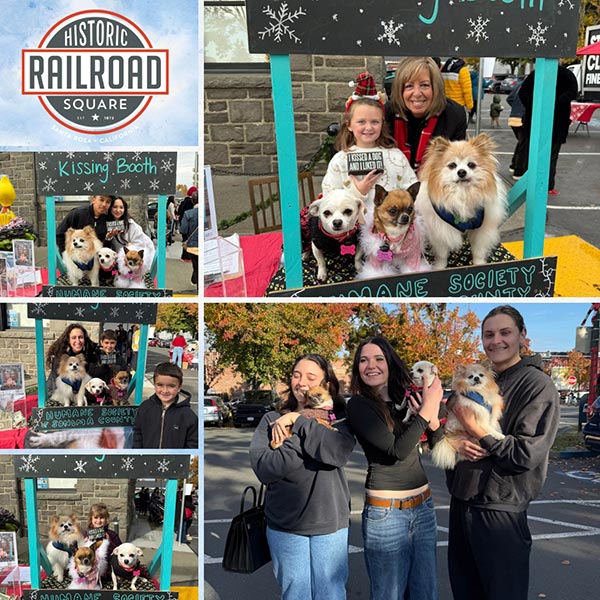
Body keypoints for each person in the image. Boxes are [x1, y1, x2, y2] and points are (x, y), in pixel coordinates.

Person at [445, 305, 559, 600]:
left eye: (505, 332)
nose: (496, 341)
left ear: (522, 335)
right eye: (489, 334)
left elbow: (526, 453)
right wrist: (455, 441)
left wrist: (479, 431)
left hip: (500, 510)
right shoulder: (481, 376)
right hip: (462, 501)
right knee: (465, 591)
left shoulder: (537, 385)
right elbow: (450, 416)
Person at [249, 354, 355, 600]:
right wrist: (304, 433)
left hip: (329, 522)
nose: (301, 382)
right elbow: (265, 468)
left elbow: (336, 453)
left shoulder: (337, 419)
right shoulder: (271, 419)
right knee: (295, 594)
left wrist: (297, 422)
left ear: (326, 384)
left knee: (331, 594)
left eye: (310, 376)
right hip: (285, 524)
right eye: (296, 375)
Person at [346, 336, 444, 600]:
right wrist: (428, 409)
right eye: (363, 360)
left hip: (423, 509)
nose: (371, 365)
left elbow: (437, 442)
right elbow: (396, 452)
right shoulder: (359, 405)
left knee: (426, 592)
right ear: (357, 368)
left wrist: (431, 416)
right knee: (389, 593)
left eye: (378, 359)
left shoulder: (407, 399)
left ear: (389, 362)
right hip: (386, 514)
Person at [322, 72, 418, 207]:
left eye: (374, 122)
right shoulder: (340, 161)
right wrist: (358, 192)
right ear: (349, 125)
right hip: (355, 226)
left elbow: (412, 189)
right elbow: (329, 198)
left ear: (382, 123)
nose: (369, 127)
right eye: (361, 122)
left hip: (392, 226)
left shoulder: (396, 157)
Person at [387, 57, 467, 171]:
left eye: (424, 85)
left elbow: (458, 163)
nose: (417, 93)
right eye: (409, 86)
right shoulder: (386, 114)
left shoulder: (454, 115)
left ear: (435, 88)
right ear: (400, 90)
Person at [516, 63, 578, 194]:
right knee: (546, 154)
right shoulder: (564, 74)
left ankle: (534, 184)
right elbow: (573, 92)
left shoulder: (539, 74)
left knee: (534, 152)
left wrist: (534, 104)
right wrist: (555, 102)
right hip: (552, 121)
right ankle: (543, 185)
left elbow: (522, 92)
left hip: (542, 120)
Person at [133, 362, 198, 449]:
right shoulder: (145, 408)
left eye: (171, 386)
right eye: (160, 385)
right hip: (147, 461)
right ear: (154, 384)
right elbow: (137, 435)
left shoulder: (188, 415)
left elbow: (193, 444)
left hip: (175, 461)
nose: (165, 390)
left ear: (179, 387)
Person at [45, 323, 98, 397]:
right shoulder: (60, 356)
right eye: (73, 337)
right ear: (68, 340)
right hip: (59, 390)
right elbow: (60, 379)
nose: (78, 341)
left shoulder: (89, 353)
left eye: (80, 337)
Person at [108, 196, 155, 267]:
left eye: (121, 207)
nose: (118, 210)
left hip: (138, 260)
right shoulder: (108, 223)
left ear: (125, 209)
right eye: (115, 207)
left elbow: (140, 245)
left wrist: (131, 247)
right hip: (120, 262)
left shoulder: (131, 225)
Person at [507, 80, 526, 176]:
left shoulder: (519, 84)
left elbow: (509, 99)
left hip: (513, 118)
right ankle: (519, 171)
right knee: (524, 146)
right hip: (522, 118)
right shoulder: (532, 85)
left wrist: (515, 108)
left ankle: (514, 165)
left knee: (521, 143)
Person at [179, 193, 199, 286]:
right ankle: (195, 280)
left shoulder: (188, 213)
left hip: (192, 245)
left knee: (196, 265)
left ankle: (196, 280)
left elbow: (183, 230)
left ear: (192, 201)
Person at [178, 187, 196, 261]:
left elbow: (179, 212)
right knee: (188, 240)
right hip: (189, 225)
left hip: (183, 223)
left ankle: (184, 256)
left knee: (185, 240)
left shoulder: (183, 202)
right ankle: (186, 257)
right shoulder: (190, 203)